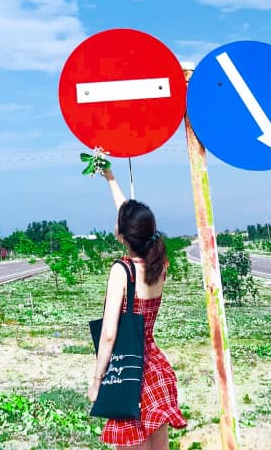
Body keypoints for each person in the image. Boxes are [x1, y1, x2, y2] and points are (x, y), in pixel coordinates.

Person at [88, 166, 187, 449]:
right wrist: (110, 178)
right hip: (155, 368)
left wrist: (97, 380)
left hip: (129, 374)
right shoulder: (160, 264)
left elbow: (109, 335)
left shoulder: (122, 271)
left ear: (122, 235)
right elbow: (134, 222)